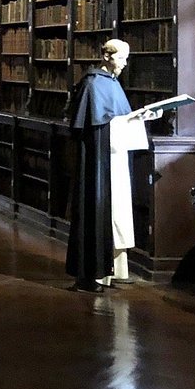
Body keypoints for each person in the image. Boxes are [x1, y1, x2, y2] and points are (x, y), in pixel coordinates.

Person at [65, 39, 158, 292]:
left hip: (114, 159)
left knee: (116, 213)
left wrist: (142, 116)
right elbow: (95, 126)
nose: (125, 64)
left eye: (127, 58)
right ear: (106, 56)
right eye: (121, 58)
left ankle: (114, 270)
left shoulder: (112, 83)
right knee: (97, 211)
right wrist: (125, 121)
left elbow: (117, 118)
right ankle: (91, 275)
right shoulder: (93, 83)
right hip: (98, 162)